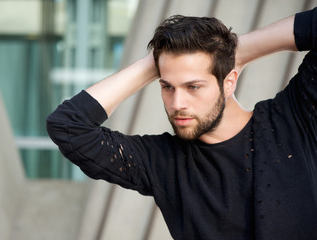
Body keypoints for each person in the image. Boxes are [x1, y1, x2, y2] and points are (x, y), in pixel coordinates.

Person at [46, 7, 317, 240]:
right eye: (167, 86)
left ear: (229, 81)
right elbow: (69, 127)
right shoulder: (163, 162)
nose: (177, 104)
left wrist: (238, 49)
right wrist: (153, 65)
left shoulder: (293, 118)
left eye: (193, 86)